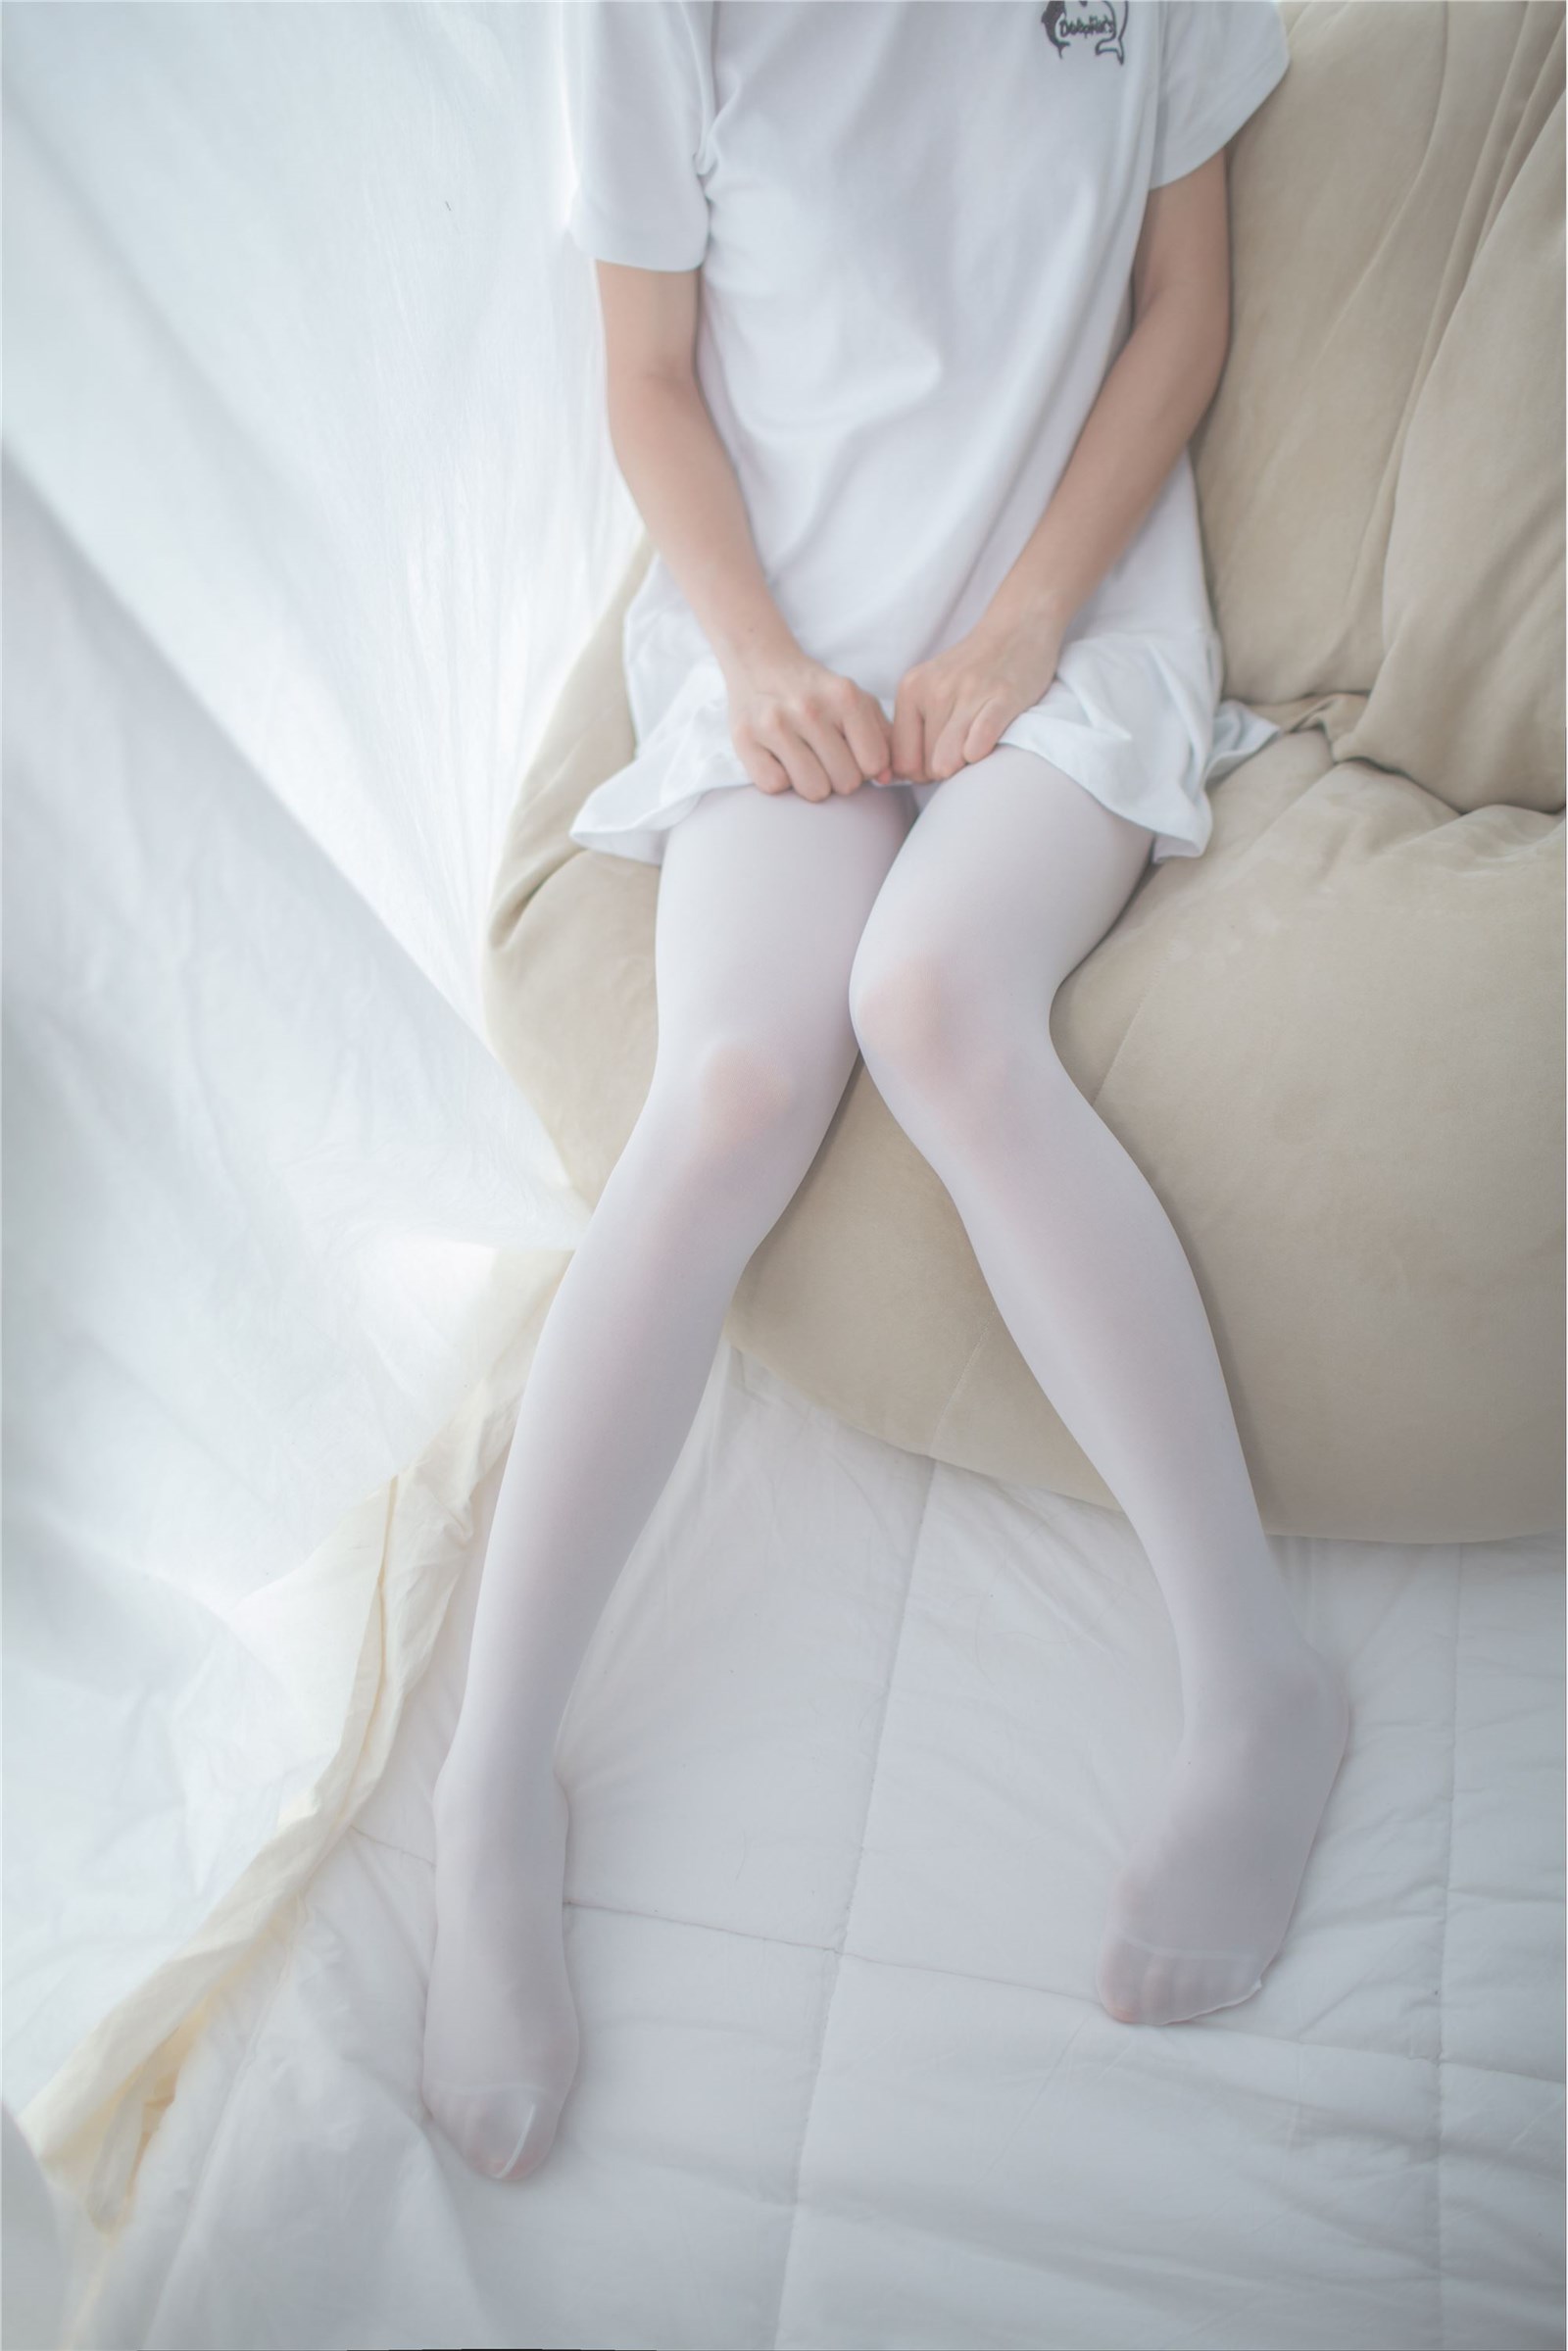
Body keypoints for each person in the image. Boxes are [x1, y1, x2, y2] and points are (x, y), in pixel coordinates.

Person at [421, 0, 1350, 2184]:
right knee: (735, 1079)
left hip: (1068, 633)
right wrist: (756, 662)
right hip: (794, 645)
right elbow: (649, 378)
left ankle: (1258, 1682)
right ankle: (487, 1788)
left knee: (934, 1001)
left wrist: (1023, 626)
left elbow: (1179, 309)